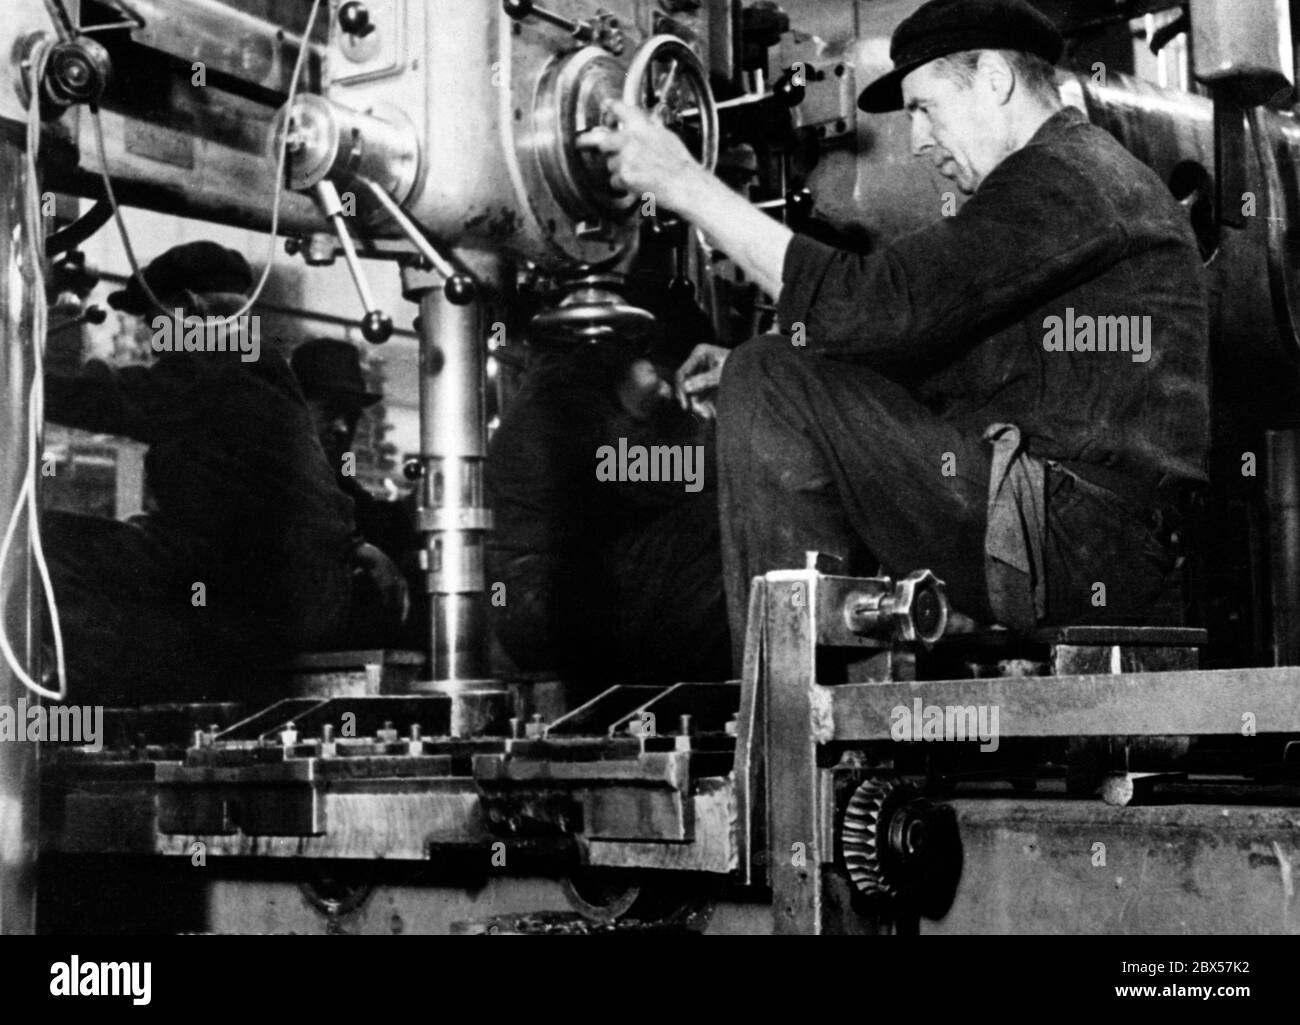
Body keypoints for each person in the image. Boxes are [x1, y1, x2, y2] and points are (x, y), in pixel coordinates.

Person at [581, 0, 1210, 669]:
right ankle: (833, 706)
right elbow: (928, 357)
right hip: (1094, 537)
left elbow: (874, 308)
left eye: (924, 107)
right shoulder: (1082, 175)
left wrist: (683, 183)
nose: (916, 140)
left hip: (1074, 535)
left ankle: (796, 722)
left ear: (995, 80)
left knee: (770, 379)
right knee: (765, 369)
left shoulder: (1066, 176)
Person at [43, 241, 358, 703]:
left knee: (45, 541)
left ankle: (80, 705)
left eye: (156, 323)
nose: (153, 342)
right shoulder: (259, 366)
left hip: (246, 592)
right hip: (286, 591)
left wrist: (24, 375)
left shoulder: (217, 362)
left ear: (188, 309)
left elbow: (108, 398)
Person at [486, 288, 731, 699]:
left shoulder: (580, 406)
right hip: (541, 603)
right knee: (721, 525)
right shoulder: (559, 408)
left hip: (561, 596)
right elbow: (694, 473)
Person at [291, 338, 412, 644]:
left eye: (353, 415)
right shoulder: (270, 483)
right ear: (296, 410)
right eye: (331, 410)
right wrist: (362, 552)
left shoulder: (344, 489)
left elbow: (381, 521)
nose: (344, 427)